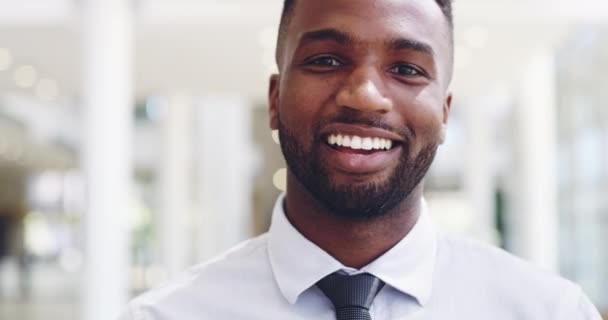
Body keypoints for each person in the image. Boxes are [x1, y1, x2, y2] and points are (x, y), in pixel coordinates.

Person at [120, 0, 602, 319]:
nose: (365, 96)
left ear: (445, 113)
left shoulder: (549, 312)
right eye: (326, 60)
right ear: (274, 98)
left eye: (407, 70)